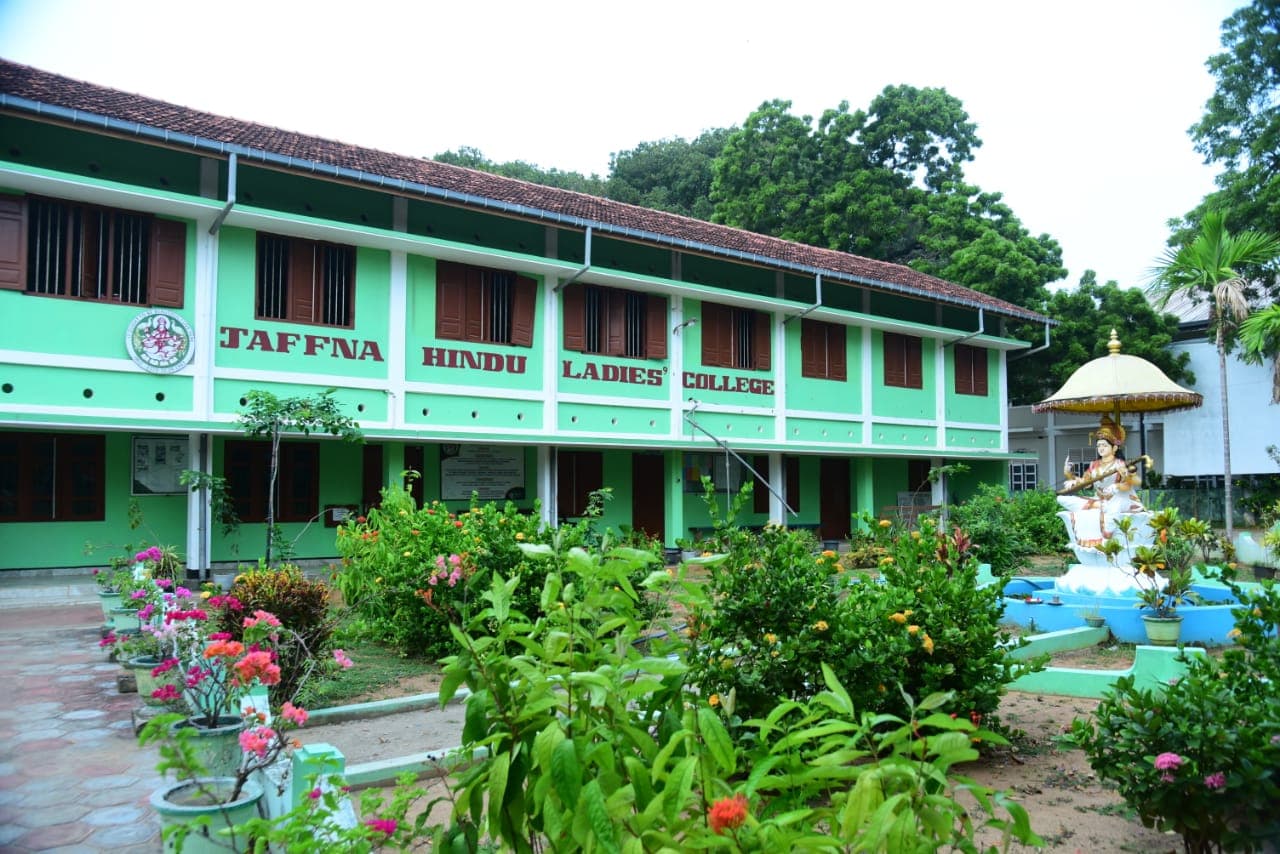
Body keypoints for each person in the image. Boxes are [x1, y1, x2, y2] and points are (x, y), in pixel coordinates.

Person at [1057, 415, 1145, 548]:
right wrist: (1069, 475)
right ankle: (1100, 507)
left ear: (1114, 448)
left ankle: (1107, 535)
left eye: (1104, 445)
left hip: (1119, 499)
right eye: (1098, 446)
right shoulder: (1094, 465)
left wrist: (1117, 486)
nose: (1101, 448)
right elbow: (1086, 482)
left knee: (1115, 505)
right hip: (1099, 500)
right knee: (1062, 499)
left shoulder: (1120, 464)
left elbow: (1130, 485)